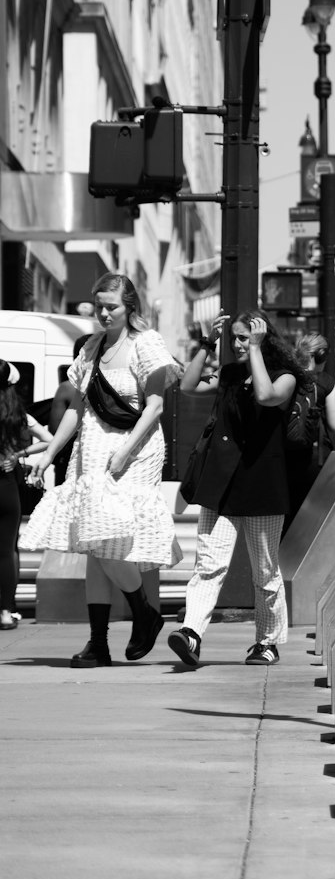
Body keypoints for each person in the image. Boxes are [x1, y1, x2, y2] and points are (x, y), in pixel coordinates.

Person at [22, 277, 181, 665]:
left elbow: (155, 406)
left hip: (135, 453)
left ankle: (143, 611)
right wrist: (49, 454)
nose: (104, 313)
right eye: (99, 306)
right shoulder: (92, 348)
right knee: (94, 546)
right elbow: (77, 409)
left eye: (111, 306)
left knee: (106, 541)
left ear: (129, 306)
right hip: (91, 453)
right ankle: (100, 642)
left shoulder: (146, 344)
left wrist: (125, 451)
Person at [167, 310, 309, 669]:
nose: (237, 344)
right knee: (208, 564)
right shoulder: (229, 374)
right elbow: (187, 386)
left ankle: (267, 641)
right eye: (234, 337)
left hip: (262, 482)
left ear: (262, 337)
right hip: (221, 483)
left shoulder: (285, 377)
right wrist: (205, 343)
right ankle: (191, 634)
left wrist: (257, 351)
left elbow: (265, 396)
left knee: (264, 570)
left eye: (244, 337)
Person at [0, 360, 54, 630]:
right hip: (6, 485)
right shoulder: (18, 415)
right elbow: (49, 439)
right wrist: (18, 454)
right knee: (7, 550)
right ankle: (6, 611)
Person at [284, 331, 335, 529]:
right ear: (320, 356)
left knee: (287, 517)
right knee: (313, 520)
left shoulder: (285, 378)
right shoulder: (326, 382)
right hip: (314, 460)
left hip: (284, 458)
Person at [49, 335, 90, 485]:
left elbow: (54, 430)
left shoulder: (67, 388)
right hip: (102, 459)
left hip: (69, 461)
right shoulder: (114, 384)